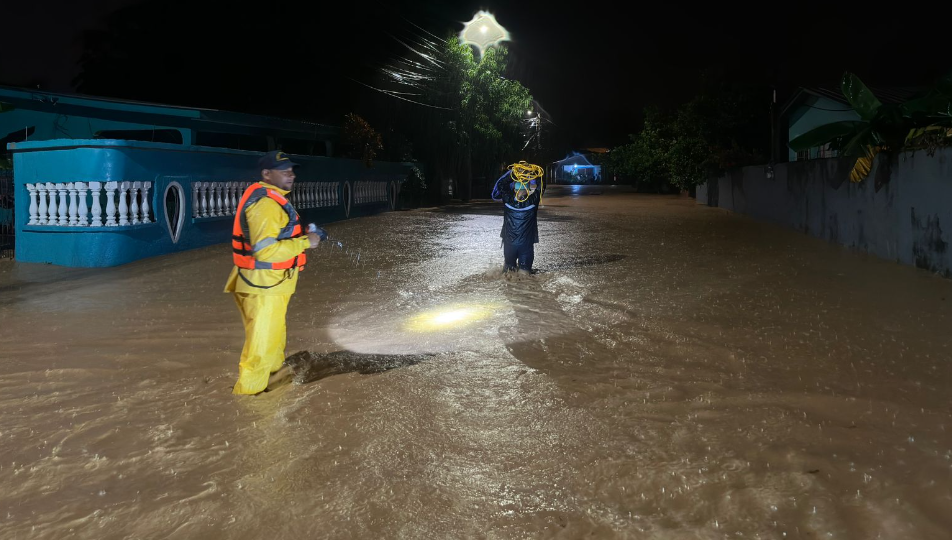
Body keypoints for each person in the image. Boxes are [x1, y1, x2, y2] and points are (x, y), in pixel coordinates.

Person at [224, 150, 327, 395]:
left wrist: (304, 234)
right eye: (284, 171)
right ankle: (249, 402)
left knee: (273, 339)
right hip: (263, 287)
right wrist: (307, 242)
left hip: (268, 285)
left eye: (292, 170)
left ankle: (273, 386)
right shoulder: (266, 204)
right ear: (266, 174)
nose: (291, 175)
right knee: (259, 350)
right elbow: (266, 252)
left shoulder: (272, 198)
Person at [492, 162, 545, 274]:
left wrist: (514, 173)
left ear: (515, 189)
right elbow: (541, 185)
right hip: (526, 246)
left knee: (508, 273)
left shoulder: (507, 200)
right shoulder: (533, 202)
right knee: (525, 276)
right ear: (527, 190)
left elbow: (501, 184)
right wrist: (532, 172)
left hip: (509, 245)